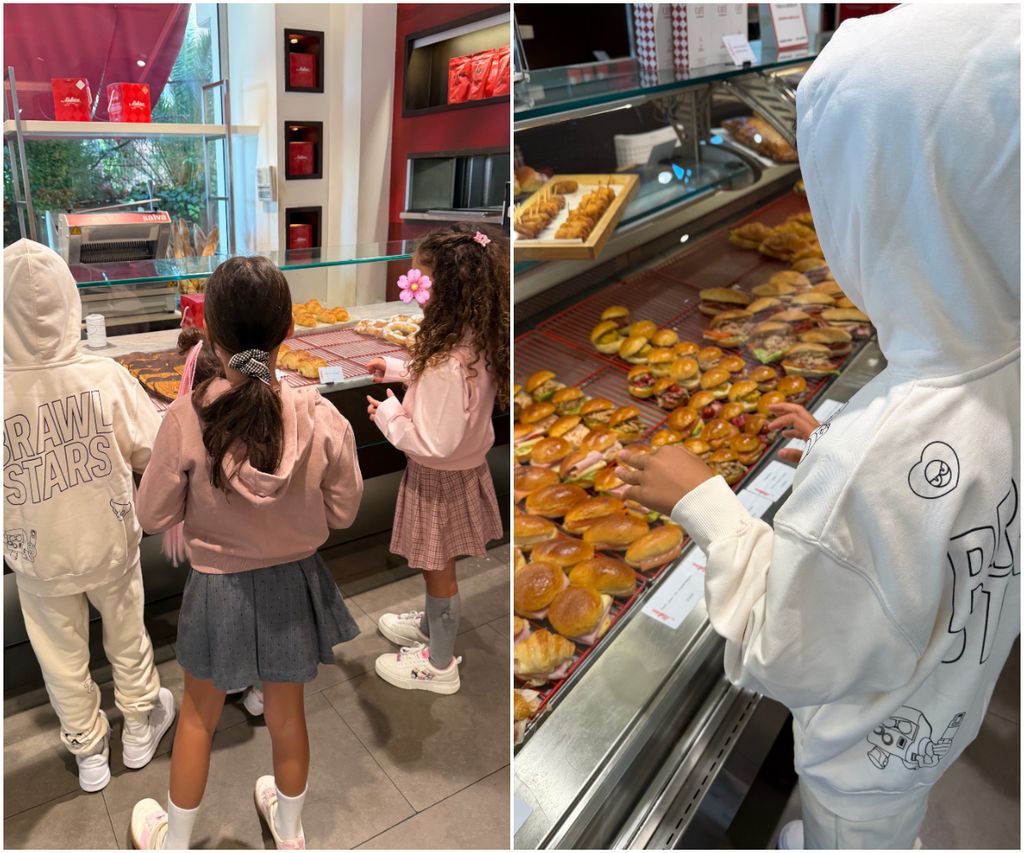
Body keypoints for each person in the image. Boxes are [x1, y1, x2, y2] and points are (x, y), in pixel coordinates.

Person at [618, 5, 1019, 849]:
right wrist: (842, 441)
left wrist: (707, 503)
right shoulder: (1003, 363)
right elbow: (936, 527)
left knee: (852, 829)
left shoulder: (890, 453)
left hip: (859, 763)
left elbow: (782, 644)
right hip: (945, 707)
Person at [129, 256, 364, 849]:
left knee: (198, 719)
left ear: (208, 331)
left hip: (216, 590)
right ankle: (290, 834)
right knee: (287, 718)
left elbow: (152, 515)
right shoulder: (321, 417)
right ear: (289, 331)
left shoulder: (186, 417)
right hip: (294, 585)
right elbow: (343, 511)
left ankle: (175, 840)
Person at [3, 239, 175, 793]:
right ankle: (140, 725)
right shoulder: (105, 376)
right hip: (109, 542)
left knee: (60, 658)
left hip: (38, 556)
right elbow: (155, 451)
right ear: (71, 303)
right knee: (127, 637)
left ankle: (89, 751)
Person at [366, 223, 509, 695]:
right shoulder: (473, 340)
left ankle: (440, 663)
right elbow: (451, 398)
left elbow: (434, 441)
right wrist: (396, 368)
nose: (413, 286)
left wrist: (388, 414)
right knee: (437, 565)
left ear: (445, 289)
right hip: (462, 472)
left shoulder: (450, 360)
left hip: (438, 480)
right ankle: (431, 626)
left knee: (437, 568)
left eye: (420, 279)